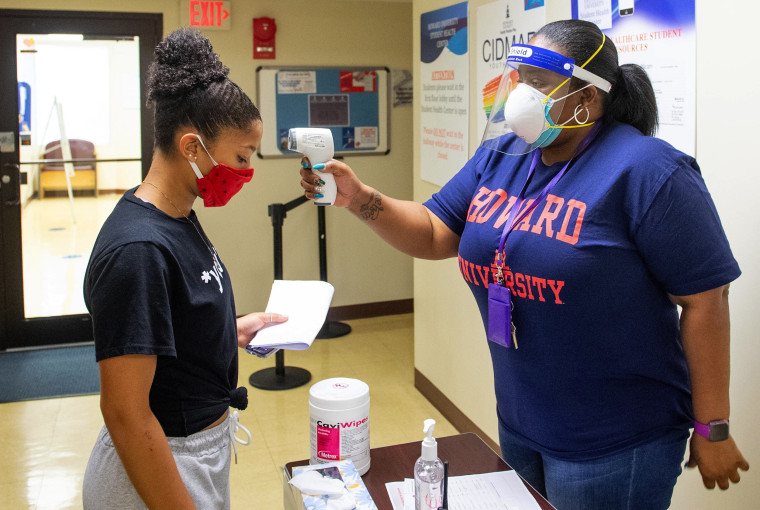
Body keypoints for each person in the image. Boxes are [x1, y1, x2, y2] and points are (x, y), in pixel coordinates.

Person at [299, 19, 749, 510]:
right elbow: (433, 231)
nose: (521, 96)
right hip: (520, 420)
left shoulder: (650, 171)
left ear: (588, 97)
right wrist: (361, 198)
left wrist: (713, 428)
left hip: (616, 439)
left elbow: (706, 300)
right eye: (520, 80)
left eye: (539, 83)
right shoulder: (502, 155)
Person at [82, 28, 286, 509]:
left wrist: (229, 329)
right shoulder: (138, 250)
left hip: (197, 454)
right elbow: (126, 413)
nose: (244, 172)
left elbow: (167, 323)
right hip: (156, 471)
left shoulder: (179, 217)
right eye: (241, 157)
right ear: (192, 147)